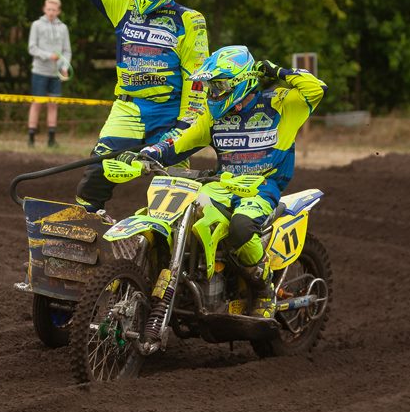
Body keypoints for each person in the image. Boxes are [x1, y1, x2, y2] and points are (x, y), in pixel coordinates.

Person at [126, 45, 327, 318]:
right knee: (174, 215)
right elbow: (181, 139)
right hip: (220, 185)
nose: (213, 93)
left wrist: (278, 71)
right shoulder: (214, 115)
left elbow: (316, 89)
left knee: (241, 227)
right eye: (211, 86)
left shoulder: (280, 104)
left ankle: (264, 288)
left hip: (260, 187)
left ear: (242, 82)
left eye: (219, 85)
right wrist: (150, 153)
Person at [74, 0, 209, 213]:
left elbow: (196, 79)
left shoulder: (189, 20)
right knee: (97, 172)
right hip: (128, 107)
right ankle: (86, 224)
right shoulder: (124, 3)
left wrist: (184, 125)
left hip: (169, 112)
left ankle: (175, 238)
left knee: (174, 187)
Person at [28, 0, 72, 148]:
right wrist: (48, 56)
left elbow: (67, 51)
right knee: (37, 103)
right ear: (44, 9)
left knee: (53, 104)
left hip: (56, 73)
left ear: (58, 11)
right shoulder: (36, 25)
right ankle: (31, 138)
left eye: (54, 10)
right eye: (49, 9)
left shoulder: (63, 28)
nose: (51, 12)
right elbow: (32, 48)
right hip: (39, 71)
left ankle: (51, 140)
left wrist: (64, 67)